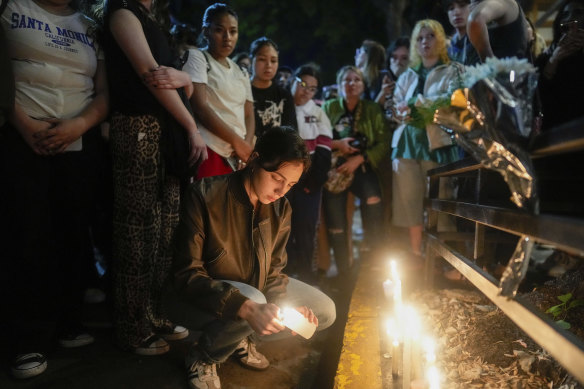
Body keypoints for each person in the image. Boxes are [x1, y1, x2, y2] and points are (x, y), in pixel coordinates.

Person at [171, 127, 336, 389]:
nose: (281, 190)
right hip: (199, 299)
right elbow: (186, 275)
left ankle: (240, 337)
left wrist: (286, 307)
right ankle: (203, 355)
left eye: (291, 184)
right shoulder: (205, 195)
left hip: (255, 291)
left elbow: (274, 273)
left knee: (324, 312)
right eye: (276, 177)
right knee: (255, 299)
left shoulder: (281, 208)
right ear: (254, 159)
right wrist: (248, 308)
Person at [0, 0, 108, 378]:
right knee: (27, 235)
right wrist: (25, 125)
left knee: (71, 234)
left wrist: (78, 126)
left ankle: (68, 322)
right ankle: (26, 340)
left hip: (78, 142)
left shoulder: (90, 23)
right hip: (20, 136)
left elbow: (104, 92)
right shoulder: (11, 7)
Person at [94, 0, 207, 355]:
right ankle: (131, 326)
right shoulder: (123, 14)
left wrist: (185, 77)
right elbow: (151, 75)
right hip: (139, 127)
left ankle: (153, 313)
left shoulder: (152, 19)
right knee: (137, 231)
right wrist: (191, 126)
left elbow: (177, 82)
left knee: (164, 230)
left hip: (165, 132)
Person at [391, 19, 462, 264]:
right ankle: (416, 256)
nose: (425, 42)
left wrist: (420, 104)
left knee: (442, 202)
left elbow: (453, 101)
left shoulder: (452, 70)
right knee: (409, 202)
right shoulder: (407, 75)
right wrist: (401, 111)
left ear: (440, 39)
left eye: (430, 36)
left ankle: (442, 260)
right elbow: (397, 105)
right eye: (420, 38)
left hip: (438, 143)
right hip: (407, 144)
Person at [169, 3, 254, 179]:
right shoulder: (198, 58)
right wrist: (237, 142)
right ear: (206, 31)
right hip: (209, 149)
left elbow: (249, 114)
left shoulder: (241, 71)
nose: (227, 37)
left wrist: (245, 147)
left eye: (233, 31)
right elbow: (200, 107)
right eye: (219, 30)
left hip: (238, 157)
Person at [322, 65, 390, 278]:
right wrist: (338, 145)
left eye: (356, 80)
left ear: (362, 85)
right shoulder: (329, 107)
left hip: (362, 164)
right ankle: (344, 269)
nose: (351, 84)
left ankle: (374, 256)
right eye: (346, 80)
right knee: (335, 219)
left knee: (373, 198)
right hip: (335, 167)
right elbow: (319, 139)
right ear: (339, 85)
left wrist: (361, 157)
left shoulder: (372, 109)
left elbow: (384, 141)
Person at [285, 64, 333, 283]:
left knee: (305, 232)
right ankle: (281, 278)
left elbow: (324, 152)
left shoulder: (317, 112)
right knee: (282, 231)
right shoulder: (283, 105)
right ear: (294, 80)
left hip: (308, 184)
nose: (306, 91)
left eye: (312, 88)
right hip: (281, 182)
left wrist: (311, 183)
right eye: (303, 84)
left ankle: (306, 279)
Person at [535, 0, 584, 131]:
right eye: (565, 14)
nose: (570, 18)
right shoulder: (545, 59)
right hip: (554, 134)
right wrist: (554, 59)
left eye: (578, 13)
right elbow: (539, 96)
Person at [250, 37, 298, 138]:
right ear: (251, 60)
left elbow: (291, 133)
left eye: (273, 60)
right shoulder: (242, 90)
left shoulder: (284, 96)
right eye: (262, 59)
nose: (269, 65)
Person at [445, 0, 480, 65]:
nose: (456, 12)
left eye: (462, 5)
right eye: (451, 8)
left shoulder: (482, 39)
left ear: (473, 7)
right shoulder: (448, 47)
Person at [355, 39, 391, 103]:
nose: (356, 55)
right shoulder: (357, 78)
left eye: (360, 52)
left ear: (369, 55)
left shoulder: (383, 76)